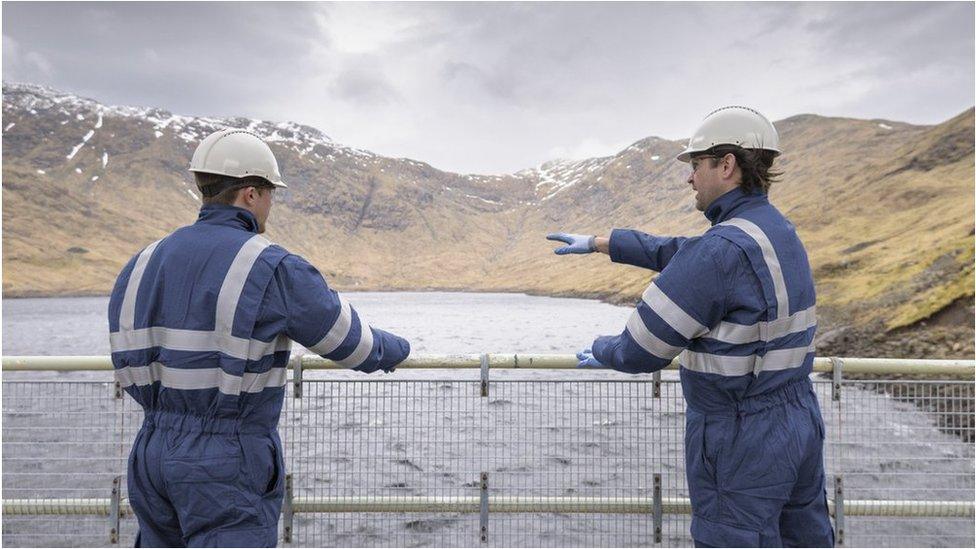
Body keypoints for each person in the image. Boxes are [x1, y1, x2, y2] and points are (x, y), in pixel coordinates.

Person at [108, 129, 411, 547]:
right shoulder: (269, 265)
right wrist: (401, 349)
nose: (271, 204)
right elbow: (352, 344)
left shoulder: (141, 262)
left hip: (151, 452)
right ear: (251, 194)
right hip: (225, 460)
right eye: (271, 193)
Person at [547, 106, 834, 547]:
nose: (689, 178)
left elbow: (639, 348)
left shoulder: (720, 250)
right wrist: (603, 243)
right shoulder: (773, 230)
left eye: (696, 165)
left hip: (741, 437)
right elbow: (688, 252)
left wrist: (603, 351)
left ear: (727, 165)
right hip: (796, 417)